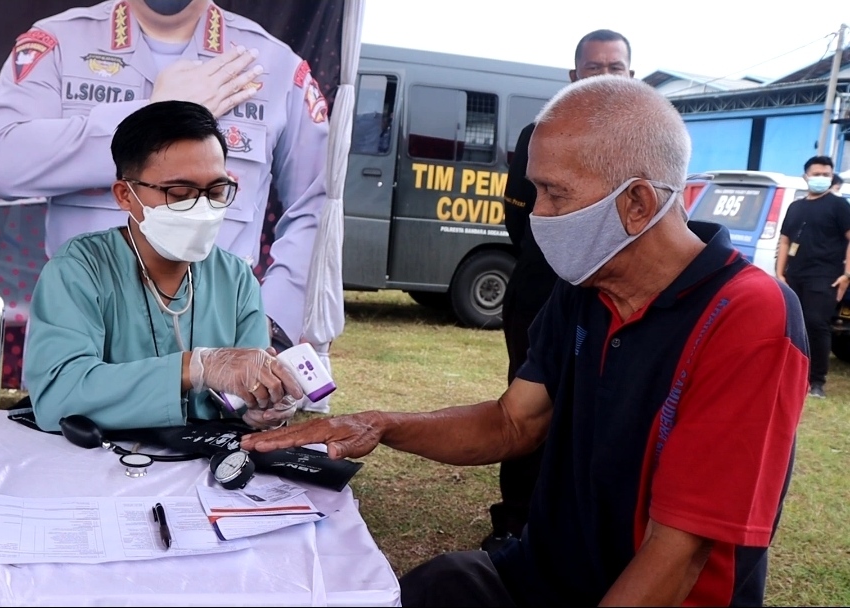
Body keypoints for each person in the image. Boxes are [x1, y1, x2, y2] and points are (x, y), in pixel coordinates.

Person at [242, 76, 808, 607]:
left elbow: (679, 554)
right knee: (436, 585)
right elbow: (515, 422)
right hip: (543, 574)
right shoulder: (586, 284)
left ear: (637, 203)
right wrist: (383, 425)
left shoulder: (747, 316)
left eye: (554, 194)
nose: (536, 214)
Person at [0, 0, 330, 356]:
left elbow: (316, 210)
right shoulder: (57, 43)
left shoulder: (276, 66)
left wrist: (270, 325)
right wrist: (153, 113)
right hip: (86, 335)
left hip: (220, 345)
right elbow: (6, 163)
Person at [23, 100, 303, 433]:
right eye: (180, 192)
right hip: (97, 468)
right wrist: (196, 368)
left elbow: (246, 393)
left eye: (216, 190)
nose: (202, 207)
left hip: (205, 472)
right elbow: (59, 397)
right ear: (125, 195)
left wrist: (264, 407)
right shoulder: (79, 271)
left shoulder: (236, 279)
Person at [488, 28, 634, 550]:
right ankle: (515, 520)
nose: (603, 77)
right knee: (527, 402)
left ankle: (580, 523)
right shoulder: (540, 134)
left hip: (615, 296)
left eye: (614, 68)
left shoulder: (644, 143)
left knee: (601, 410)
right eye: (593, 68)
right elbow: (519, 216)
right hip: (542, 291)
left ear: (631, 76)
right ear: (573, 76)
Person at [775, 155, 850, 399]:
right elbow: (785, 240)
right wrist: (779, 273)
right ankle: (791, 374)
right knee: (793, 326)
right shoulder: (796, 207)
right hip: (794, 275)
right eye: (817, 174)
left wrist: (847, 274)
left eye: (826, 174)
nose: (821, 178)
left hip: (825, 276)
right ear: (806, 176)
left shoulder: (839, 206)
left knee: (816, 324)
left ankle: (816, 381)